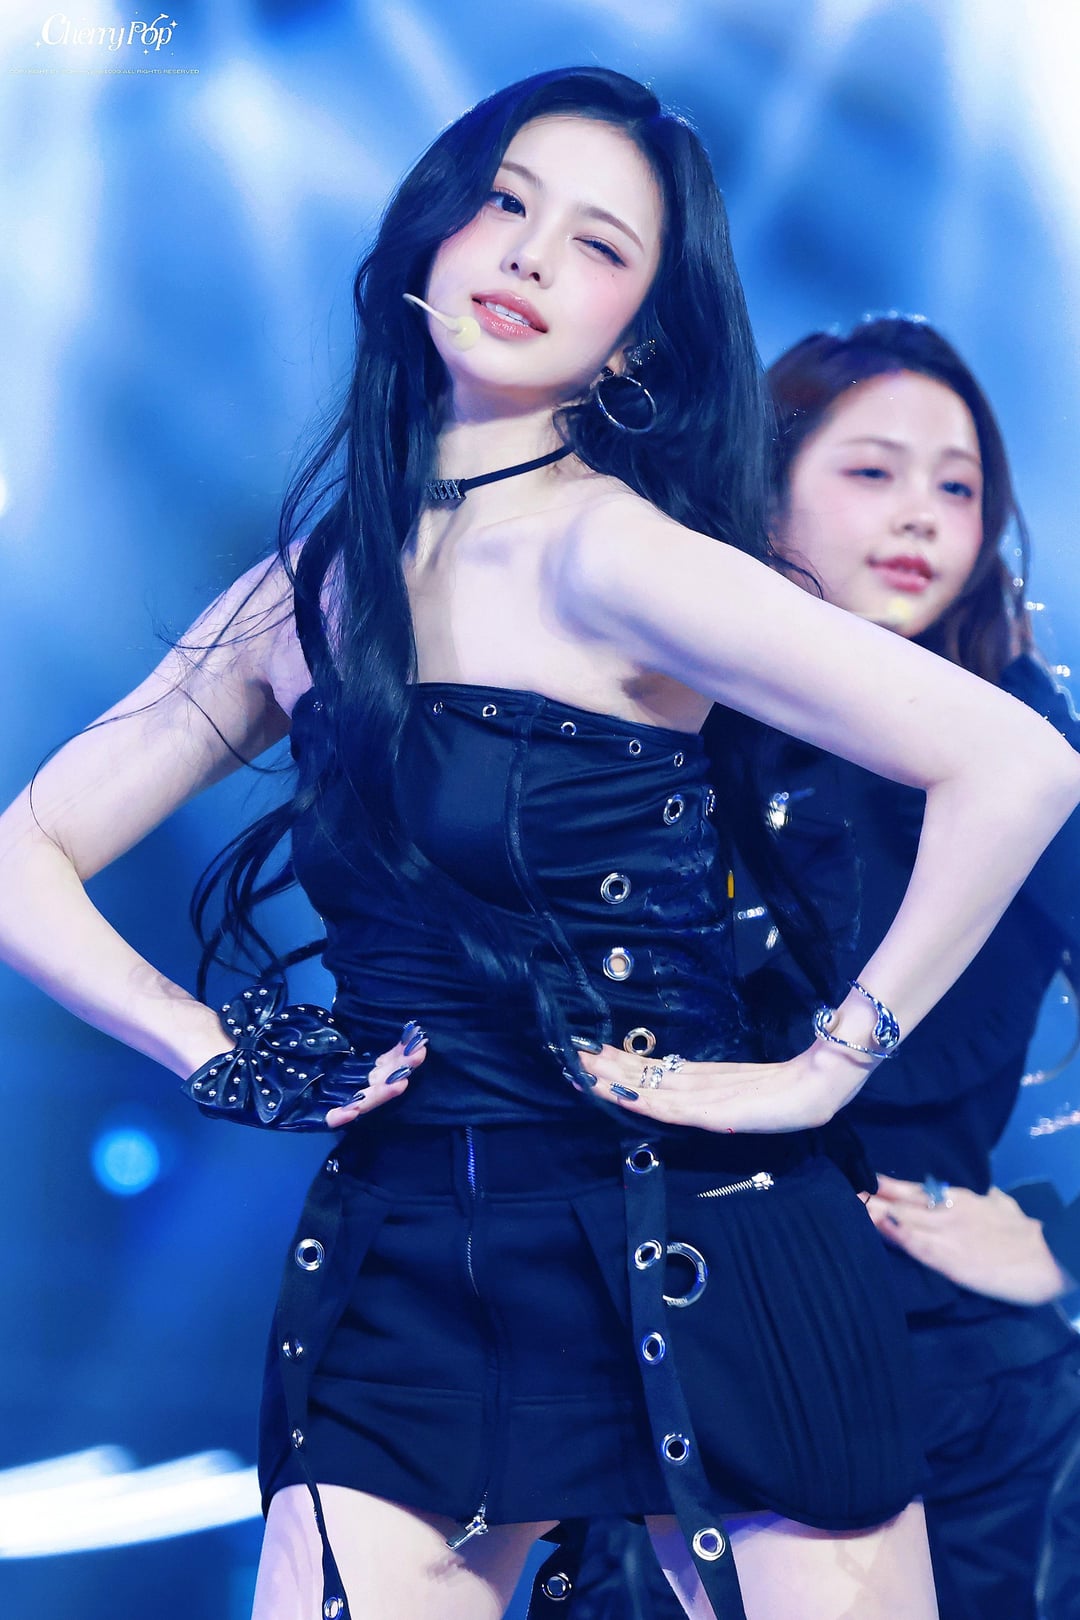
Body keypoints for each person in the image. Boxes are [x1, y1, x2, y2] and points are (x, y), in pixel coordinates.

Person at [1, 72, 1078, 1620]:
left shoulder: (615, 553)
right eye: (506, 203)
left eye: (597, 244)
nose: (527, 255)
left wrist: (826, 1068)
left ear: (635, 337)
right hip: (406, 1260)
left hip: (696, 1228)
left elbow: (1016, 761)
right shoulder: (305, 588)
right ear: (428, 234)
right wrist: (204, 1045)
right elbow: (25, 852)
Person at [733, 315, 1080, 1619]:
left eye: (959, 487)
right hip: (684, 1361)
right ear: (764, 488)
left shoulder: (1025, 748)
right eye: (872, 470)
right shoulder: (664, 729)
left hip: (955, 1393)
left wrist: (1063, 1247)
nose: (923, 515)